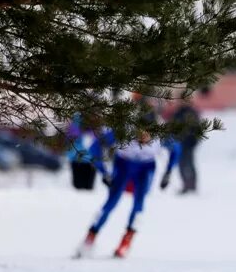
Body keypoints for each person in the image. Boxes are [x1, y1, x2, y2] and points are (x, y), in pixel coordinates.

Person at [74, 111, 179, 259]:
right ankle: (89, 239)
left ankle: (126, 242)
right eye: (140, 133)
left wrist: (168, 173)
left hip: (145, 168)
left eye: (148, 134)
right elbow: (94, 148)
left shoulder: (161, 136)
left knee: (139, 204)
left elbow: (176, 150)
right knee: (111, 203)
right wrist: (103, 171)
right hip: (123, 165)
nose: (143, 137)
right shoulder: (122, 132)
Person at [171, 102, 202, 194]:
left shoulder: (192, 113)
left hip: (189, 143)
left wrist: (194, 141)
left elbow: (197, 129)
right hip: (180, 143)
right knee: (181, 165)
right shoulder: (178, 113)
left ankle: (192, 185)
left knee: (189, 164)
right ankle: (185, 185)